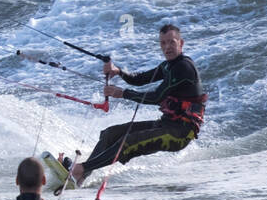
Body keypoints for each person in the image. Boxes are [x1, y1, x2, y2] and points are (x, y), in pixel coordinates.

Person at [67, 23, 206, 187]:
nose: (167, 47)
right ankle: (82, 175)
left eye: (171, 42)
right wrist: (118, 71)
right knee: (110, 134)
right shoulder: (168, 65)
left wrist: (122, 93)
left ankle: (80, 169)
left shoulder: (183, 68)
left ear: (180, 43)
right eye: (163, 43)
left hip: (180, 133)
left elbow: (156, 97)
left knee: (128, 142)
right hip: (166, 124)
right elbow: (139, 79)